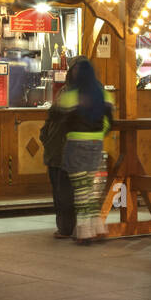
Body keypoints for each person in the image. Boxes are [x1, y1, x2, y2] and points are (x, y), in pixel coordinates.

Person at [57, 57, 114, 243]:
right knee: (90, 187)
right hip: (96, 144)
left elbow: (60, 121)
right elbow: (109, 123)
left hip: (76, 145)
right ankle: (97, 226)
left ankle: (84, 231)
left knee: (81, 189)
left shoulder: (70, 96)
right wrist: (98, 135)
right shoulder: (104, 95)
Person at [40, 55, 87, 239]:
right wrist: (44, 134)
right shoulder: (65, 91)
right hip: (55, 148)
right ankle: (65, 227)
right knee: (59, 191)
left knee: (67, 191)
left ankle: (68, 227)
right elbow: (52, 116)